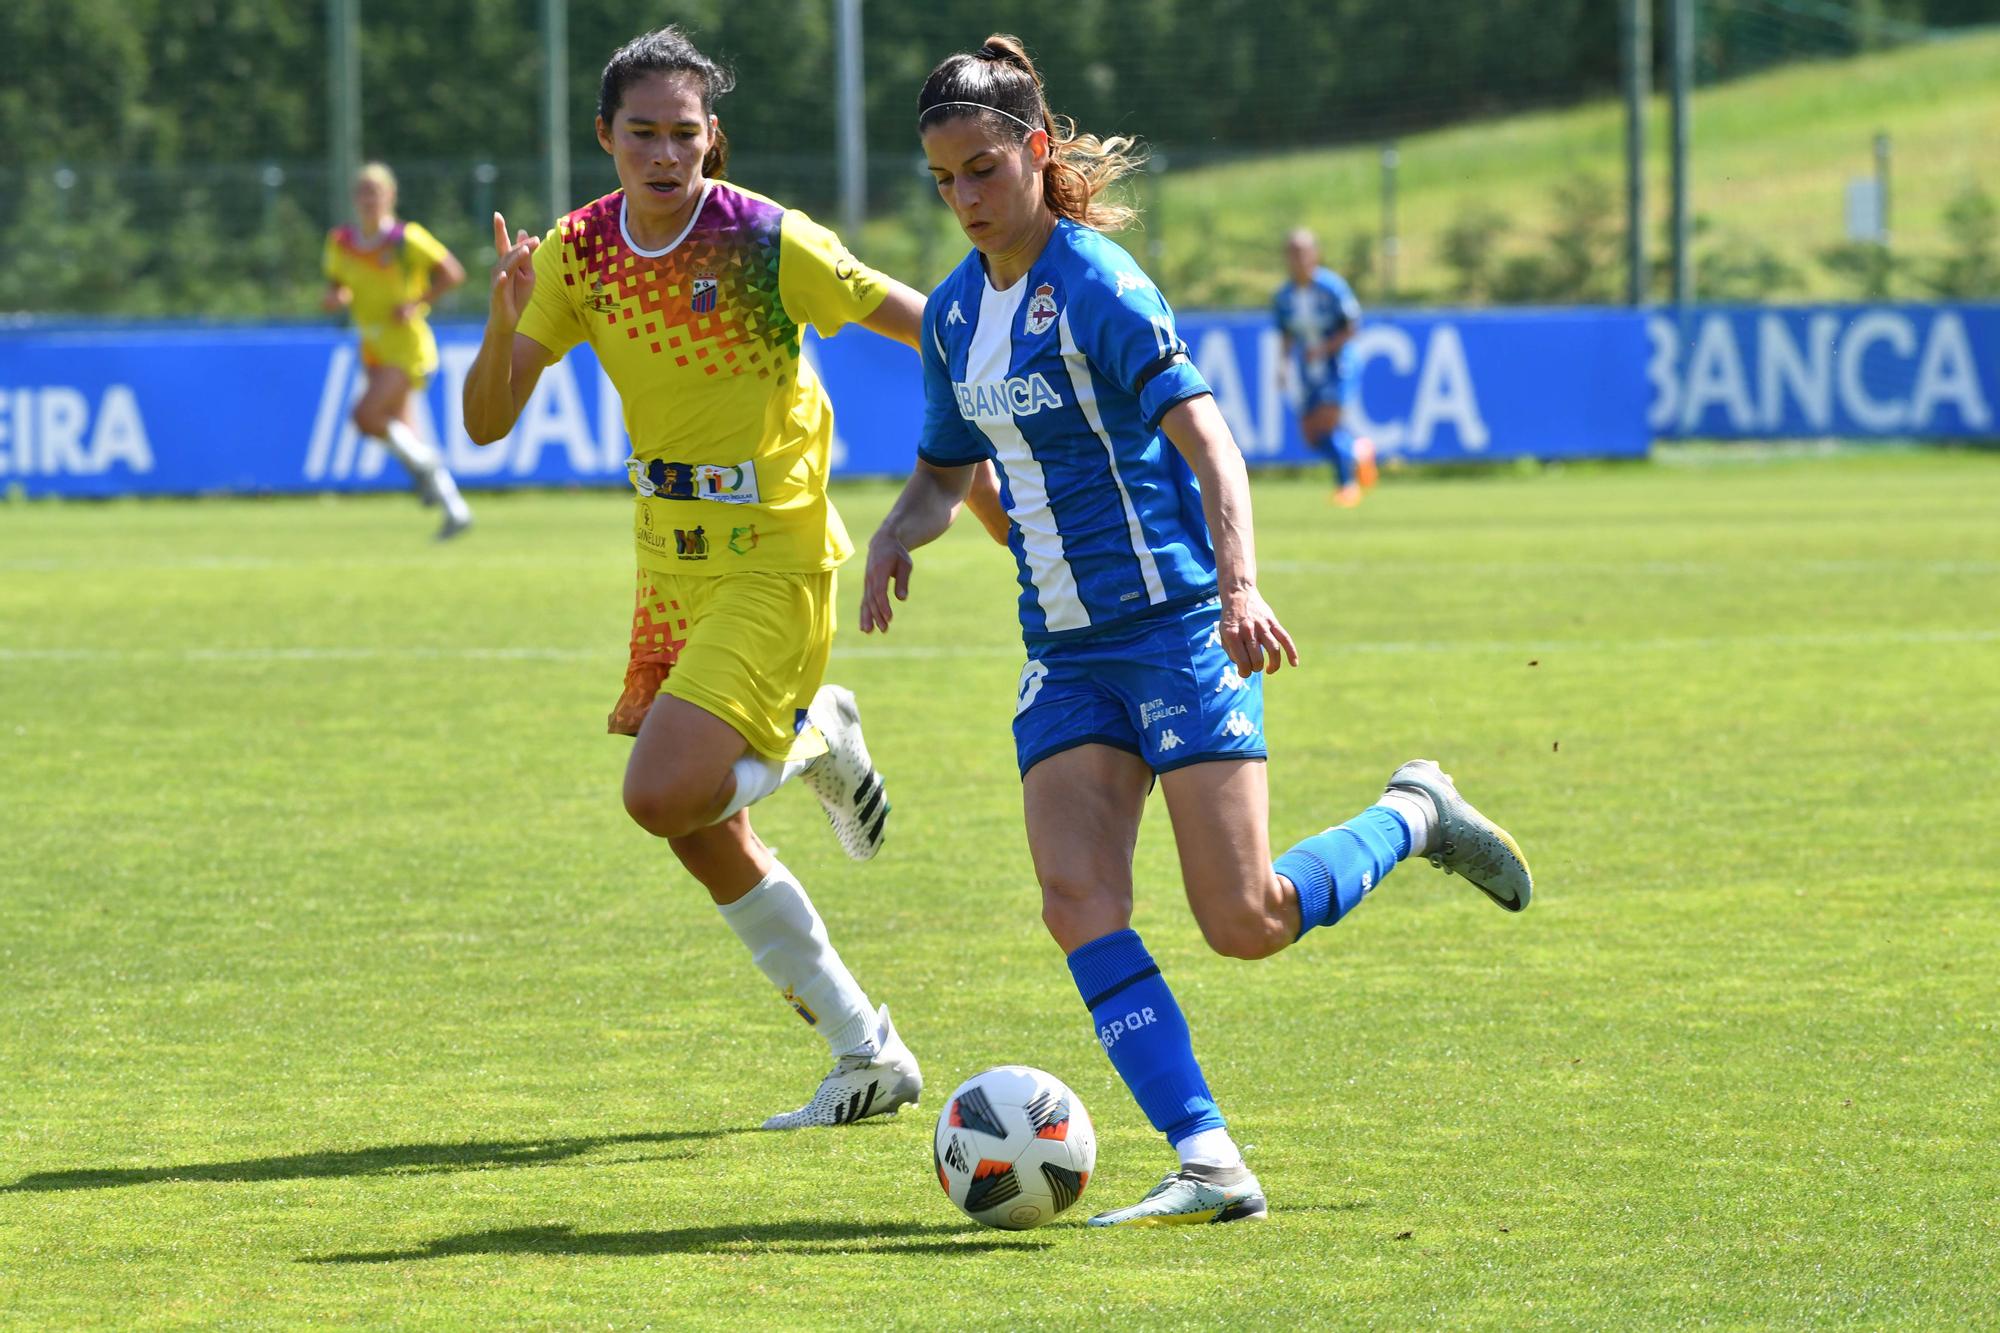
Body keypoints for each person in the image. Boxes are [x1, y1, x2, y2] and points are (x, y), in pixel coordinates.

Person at [862, 35, 1534, 1226]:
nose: (963, 200)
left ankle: (1413, 810)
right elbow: (938, 472)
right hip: (1066, 654)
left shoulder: (1098, 286)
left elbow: (1211, 441)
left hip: (1175, 627)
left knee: (1244, 920)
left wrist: (1237, 587)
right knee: (1076, 901)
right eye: (941, 182)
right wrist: (894, 535)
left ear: (1031, 152)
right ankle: (1208, 1156)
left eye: (979, 171)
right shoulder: (956, 314)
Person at [462, 26, 941, 1129]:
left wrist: (979, 444)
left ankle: (817, 734)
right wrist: (501, 317)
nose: (665, 154)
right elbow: (487, 423)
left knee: (656, 792)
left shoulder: (766, 241)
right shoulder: (578, 256)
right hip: (668, 572)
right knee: (691, 824)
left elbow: (924, 325)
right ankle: (865, 1052)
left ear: (711, 139)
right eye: (642, 134)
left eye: (685, 133)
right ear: (605, 138)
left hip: (774, 561)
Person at [322, 162, 476, 538]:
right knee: (403, 431)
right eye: (363, 192)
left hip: (407, 346)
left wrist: (417, 302)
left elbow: (452, 273)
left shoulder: (406, 239)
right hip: (372, 346)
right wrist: (335, 297)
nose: (369, 200)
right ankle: (454, 508)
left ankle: (425, 465)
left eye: (376, 192)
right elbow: (336, 285)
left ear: (390, 196)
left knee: (365, 416)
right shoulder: (341, 242)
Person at [1273, 229, 1375, 507]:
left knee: (1328, 425)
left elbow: (1352, 327)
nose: (1298, 259)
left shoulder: (1332, 287)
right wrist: (1282, 366)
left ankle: (1347, 486)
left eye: (1303, 252)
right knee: (1311, 436)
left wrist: (1324, 349)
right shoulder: (1284, 296)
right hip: (1308, 369)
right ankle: (1358, 452)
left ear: (1315, 254)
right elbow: (1285, 335)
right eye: (1292, 253)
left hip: (1337, 364)